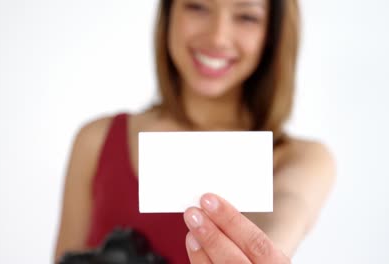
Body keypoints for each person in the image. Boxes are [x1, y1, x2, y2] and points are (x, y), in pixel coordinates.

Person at [54, 0, 336, 263]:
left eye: (246, 16)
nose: (217, 37)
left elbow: (288, 211)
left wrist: (262, 251)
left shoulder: (301, 158)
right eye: (197, 7)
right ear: (169, 13)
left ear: (272, 33)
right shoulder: (96, 140)